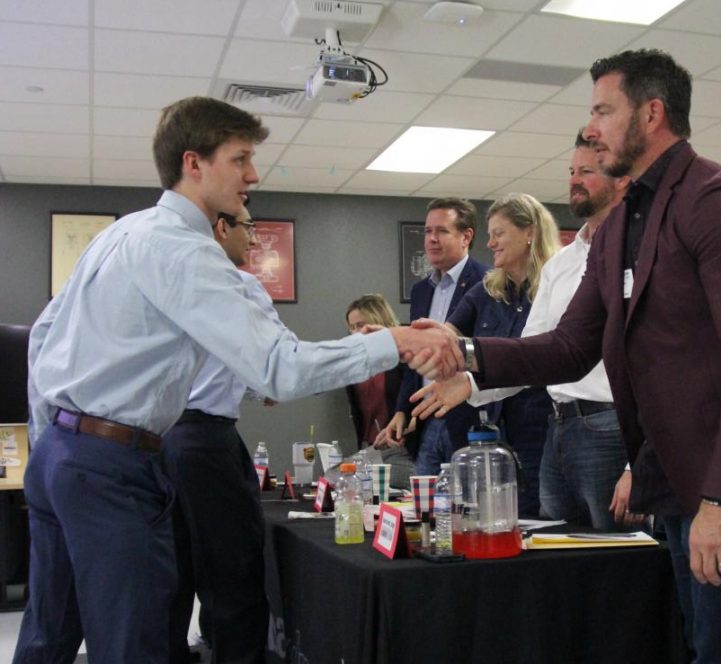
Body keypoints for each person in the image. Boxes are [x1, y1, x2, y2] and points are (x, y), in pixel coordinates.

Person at [410, 50, 721, 663]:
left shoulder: (719, 202)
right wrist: (463, 351)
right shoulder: (619, 228)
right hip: (684, 478)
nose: (593, 127)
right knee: (695, 644)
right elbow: (570, 346)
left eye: (604, 110)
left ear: (652, 114)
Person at [17, 95, 459, 663]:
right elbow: (280, 366)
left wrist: (47, 442)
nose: (253, 175)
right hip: (111, 467)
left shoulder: (121, 233)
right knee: (133, 644)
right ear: (194, 163)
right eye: (241, 158)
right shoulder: (184, 250)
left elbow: (42, 336)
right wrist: (394, 341)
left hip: (60, 453)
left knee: (47, 637)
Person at [413, 132, 633, 530]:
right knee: (556, 544)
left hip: (608, 425)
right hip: (559, 428)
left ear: (620, 178)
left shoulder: (638, 252)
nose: (573, 181)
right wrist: (470, 383)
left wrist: (639, 461)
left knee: (616, 549)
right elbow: (532, 353)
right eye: (571, 171)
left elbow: (651, 365)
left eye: (586, 171)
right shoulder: (562, 264)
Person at [161, 206, 279, 664]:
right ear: (221, 227)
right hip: (206, 440)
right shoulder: (242, 288)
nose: (253, 239)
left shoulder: (173, 281)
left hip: (164, 438)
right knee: (235, 568)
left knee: (178, 566)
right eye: (248, 227)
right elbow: (274, 364)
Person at [413, 193, 559, 516]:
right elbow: (447, 335)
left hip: (539, 431)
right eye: (489, 234)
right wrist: (398, 339)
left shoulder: (555, 289)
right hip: (490, 432)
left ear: (529, 232)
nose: (490, 243)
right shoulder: (486, 290)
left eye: (499, 233)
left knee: (536, 520)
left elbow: (532, 359)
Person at [375, 198, 488, 475]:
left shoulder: (487, 282)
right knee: (425, 508)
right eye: (427, 232)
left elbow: (490, 353)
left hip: (468, 421)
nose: (432, 239)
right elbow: (416, 360)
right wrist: (403, 410)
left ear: (466, 236)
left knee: (468, 509)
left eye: (442, 231)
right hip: (428, 420)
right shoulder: (421, 291)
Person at [344, 293, 414, 488]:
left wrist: (406, 424)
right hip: (371, 447)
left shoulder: (404, 359)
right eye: (352, 327)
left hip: (401, 448)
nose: (357, 332)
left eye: (361, 325)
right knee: (336, 478)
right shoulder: (355, 363)